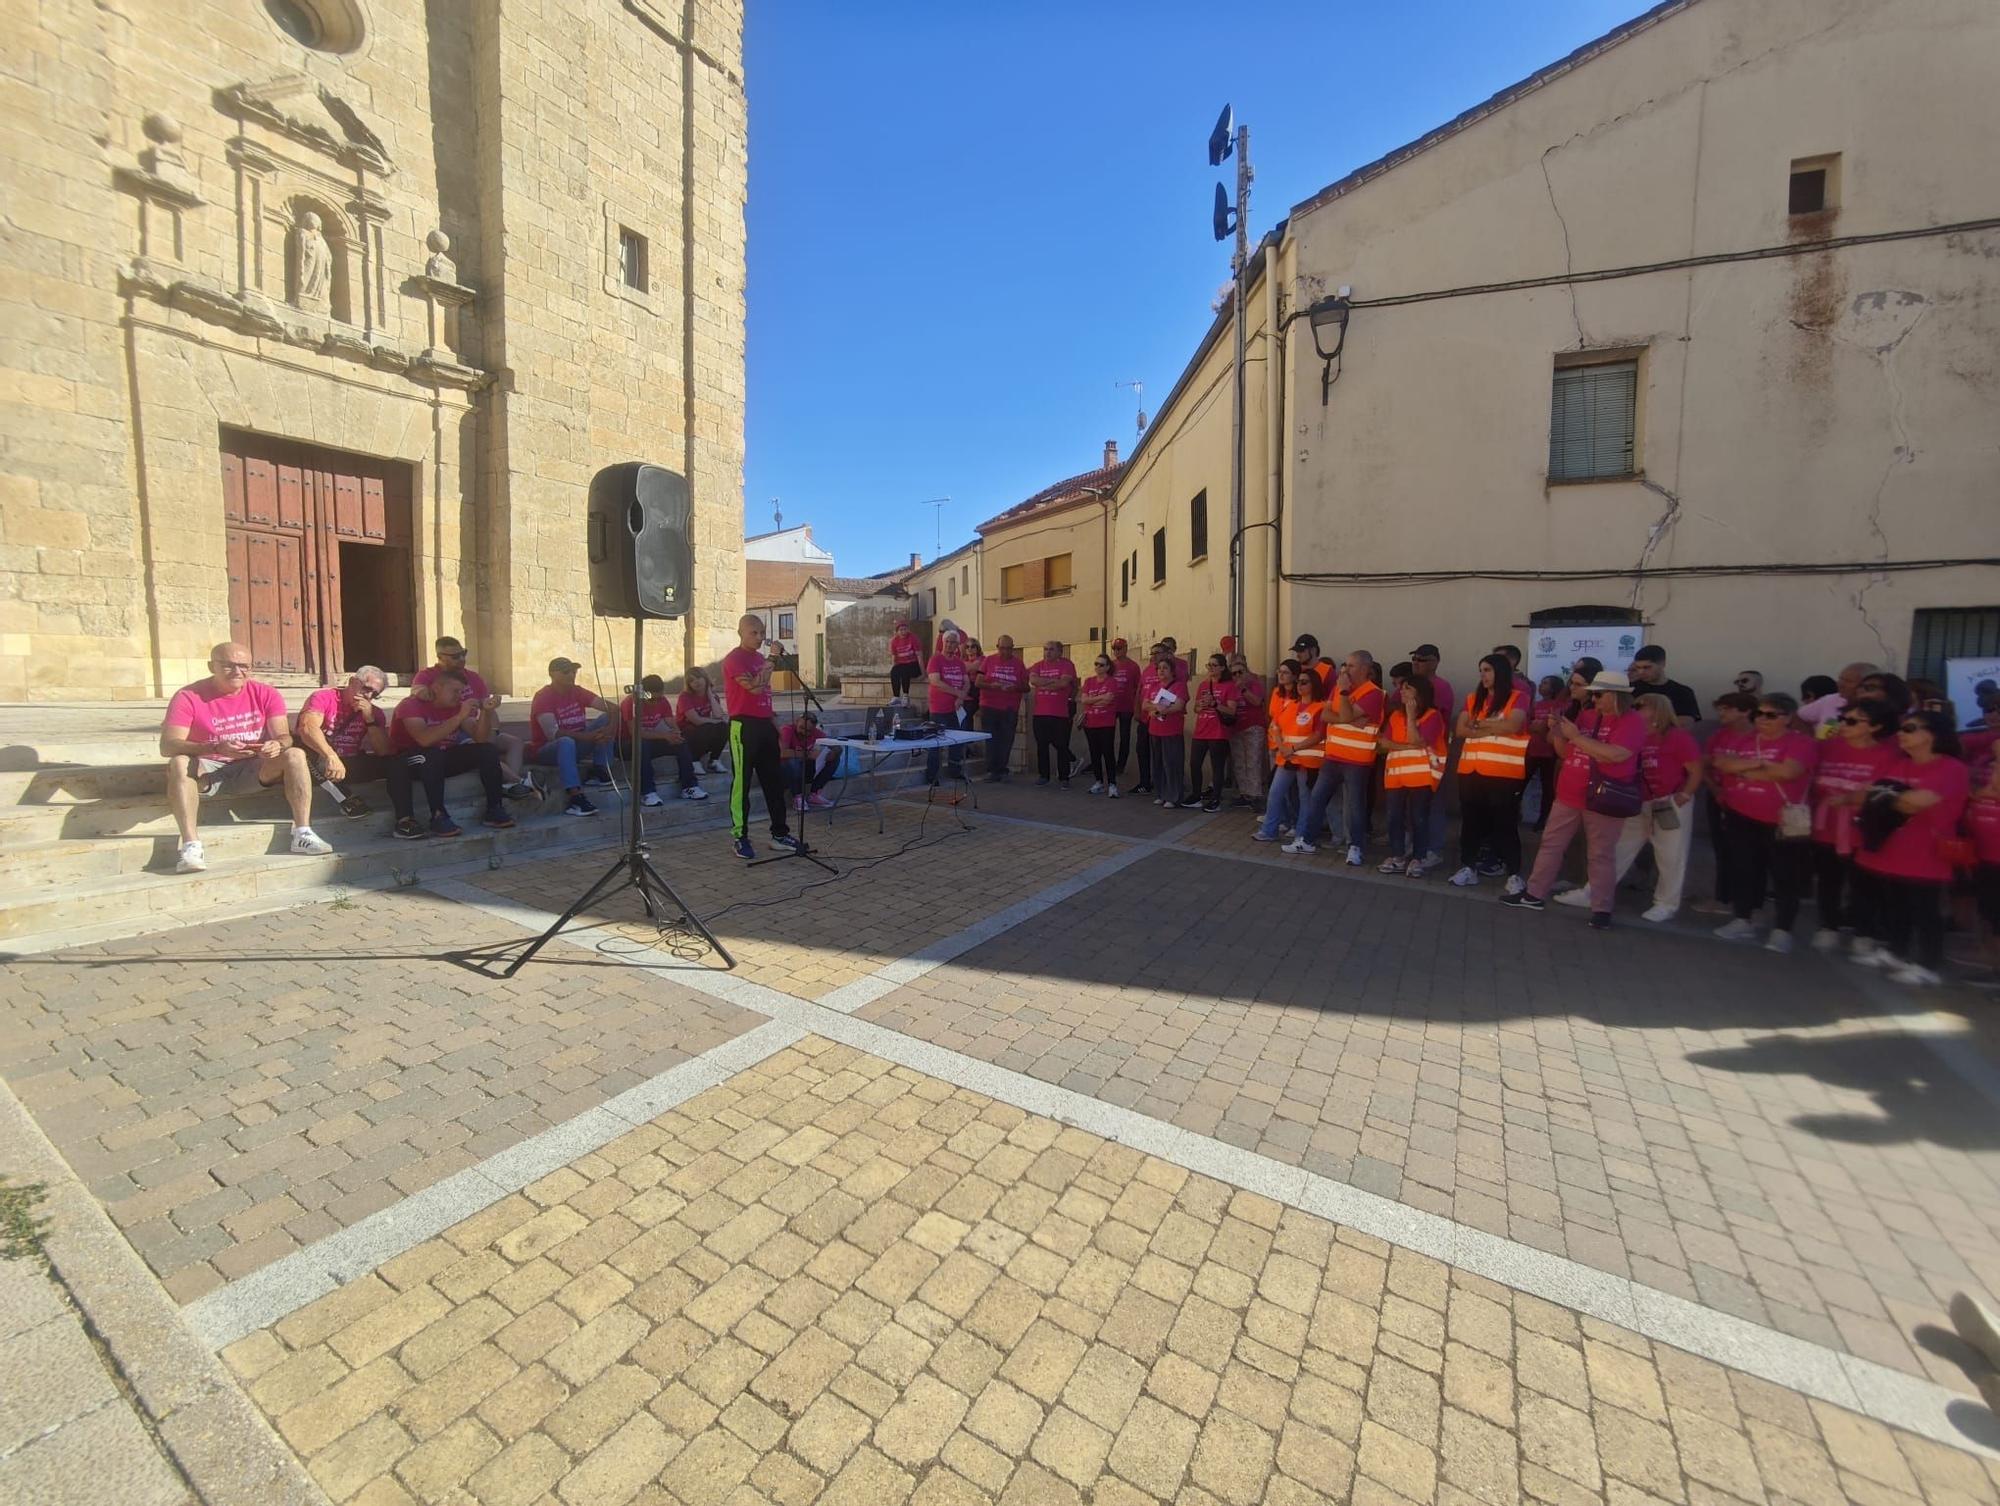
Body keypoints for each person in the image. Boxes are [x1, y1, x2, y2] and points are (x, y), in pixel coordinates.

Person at [160, 642, 331, 873]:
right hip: (208, 767)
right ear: (212, 666)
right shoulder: (188, 696)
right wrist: (215, 746)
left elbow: (285, 736)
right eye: (228, 665)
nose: (238, 672)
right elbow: (168, 745)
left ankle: (302, 833)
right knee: (178, 762)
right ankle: (191, 845)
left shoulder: (266, 693)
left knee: (295, 754)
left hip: (253, 765)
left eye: (244, 666)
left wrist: (276, 744)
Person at [1503, 669, 1649, 929]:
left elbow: (1615, 755)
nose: (1595, 700)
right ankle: (1533, 894)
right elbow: (1565, 752)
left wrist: (1576, 736)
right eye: (1593, 694)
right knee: (1551, 844)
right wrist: (1558, 732)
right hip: (1569, 793)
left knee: (1600, 854)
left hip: (1604, 796)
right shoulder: (1588, 715)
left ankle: (1602, 908)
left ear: (1616, 696)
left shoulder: (1632, 721)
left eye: (1600, 694)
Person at [1554, 692, 1702, 921]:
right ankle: (1592, 892)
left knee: (1670, 855)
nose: (1635, 708)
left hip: (1668, 803)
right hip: (1633, 802)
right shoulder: (1631, 732)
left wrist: (1683, 796)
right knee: (1617, 850)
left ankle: (1666, 904)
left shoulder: (1678, 737)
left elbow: (1695, 770)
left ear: (1658, 710)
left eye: (1642, 706)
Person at [1855, 709, 1969, 986]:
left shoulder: (1952, 768)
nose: (1901, 735)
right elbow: (1865, 795)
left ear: (1932, 734)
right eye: (1902, 728)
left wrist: (1884, 795)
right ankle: (1896, 951)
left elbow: (1917, 801)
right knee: (1895, 904)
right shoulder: (1897, 764)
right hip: (1891, 847)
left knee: (1925, 910)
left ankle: (1928, 964)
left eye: (1910, 729)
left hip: (1926, 850)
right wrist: (1889, 796)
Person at [1710, 692, 1818, 952]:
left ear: (1788, 718)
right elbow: (1722, 763)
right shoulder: (1747, 739)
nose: (1763, 719)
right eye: (1760, 713)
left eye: (1771, 715)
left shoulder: (1801, 743)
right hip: (1741, 814)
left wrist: (1746, 768)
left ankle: (1783, 929)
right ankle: (1743, 918)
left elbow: (1789, 771)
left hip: (1784, 820)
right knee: (1744, 869)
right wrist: (1762, 765)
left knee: (1785, 875)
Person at [1807, 697, 1897, 955]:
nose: (1844, 724)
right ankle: (1828, 926)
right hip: (1826, 826)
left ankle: (1864, 931)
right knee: (1828, 879)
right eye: (1843, 718)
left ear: (1876, 726)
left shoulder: (1887, 755)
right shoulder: (1826, 747)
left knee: (1865, 884)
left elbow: (1883, 792)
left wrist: (1850, 797)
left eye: (1853, 721)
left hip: (1863, 829)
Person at [389, 667, 514, 838]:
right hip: (407, 760)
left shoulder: (456, 708)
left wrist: (486, 712)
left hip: (439, 758)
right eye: (455, 691)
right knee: (432, 754)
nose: (459, 696)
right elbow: (424, 740)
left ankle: (495, 809)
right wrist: (459, 717)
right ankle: (438, 816)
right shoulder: (410, 705)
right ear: (437, 688)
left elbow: (481, 739)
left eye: (462, 692)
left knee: (487, 751)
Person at [413, 636, 535, 799]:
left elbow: (487, 707)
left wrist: (494, 729)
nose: (462, 659)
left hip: (474, 724)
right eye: (455, 656)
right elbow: (418, 691)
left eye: (464, 653)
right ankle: (518, 782)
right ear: (440, 657)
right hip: (452, 728)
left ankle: (509, 784)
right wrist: (427, 693)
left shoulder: (473, 677)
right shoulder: (428, 675)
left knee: (515, 742)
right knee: (482, 750)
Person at [722, 614, 803, 859]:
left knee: (774, 782)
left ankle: (779, 834)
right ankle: (740, 836)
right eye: (753, 633)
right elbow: (755, 688)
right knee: (742, 784)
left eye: (761, 633)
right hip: (743, 726)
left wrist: (775, 726)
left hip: (764, 725)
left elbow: (765, 697)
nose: (759, 637)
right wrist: (771, 661)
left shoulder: (759, 659)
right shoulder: (734, 659)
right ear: (741, 633)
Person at [1292, 649, 1382, 861]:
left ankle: (1356, 847)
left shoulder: (1373, 693)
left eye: (1351, 666)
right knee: (1317, 798)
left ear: (1364, 669)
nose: (1346, 669)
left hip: (1357, 760)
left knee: (1355, 806)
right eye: (1346, 664)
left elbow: (1341, 714)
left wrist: (1342, 697)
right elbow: (1325, 714)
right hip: (1333, 756)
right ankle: (1307, 841)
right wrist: (1349, 717)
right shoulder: (1339, 687)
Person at [1449, 654, 1530, 890]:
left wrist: (1480, 724)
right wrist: (1493, 727)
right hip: (1471, 771)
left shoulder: (1518, 698)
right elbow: (1461, 729)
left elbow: (1513, 725)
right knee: (1471, 823)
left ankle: (1514, 873)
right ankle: (1468, 867)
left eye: (1487, 670)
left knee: (1504, 824)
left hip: (1503, 772)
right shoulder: (1473, 698)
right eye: (1481, 670)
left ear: (1501, 672)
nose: (1483, 675)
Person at [295, 667, 394, 819]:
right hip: (319, 757)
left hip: (349, 761)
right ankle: (346, 799)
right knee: (305, 756)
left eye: (375, 694)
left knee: (396, 763)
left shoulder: (375, 713)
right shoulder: (324, 697)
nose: (368, 695)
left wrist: (369, 719)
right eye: (366, 688)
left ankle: (404, 817)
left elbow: (384, 751)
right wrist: (331, 755)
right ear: (352, 682)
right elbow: (307, 728)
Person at [527, 658, 616, 816]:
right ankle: (575, 797)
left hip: (578, 744)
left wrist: (609, 729)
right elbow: (553, 733)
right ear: (553, 674)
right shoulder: (543, 696)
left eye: (574, 671)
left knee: (605, 720)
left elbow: (613, 708)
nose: (572, 675)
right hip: (548, 750)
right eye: (566, 672)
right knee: (565, 741)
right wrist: (587, 736)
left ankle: (600, 770)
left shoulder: (578, 691)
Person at [1699, 691, 1759, 914]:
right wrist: (1715, 789)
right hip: (1719, 798)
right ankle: (1723, 898)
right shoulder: (1719, 735)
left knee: (1747, 854)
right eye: (1720, 709)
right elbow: (1704, 764)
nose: (1721, 713)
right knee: (1722, 850)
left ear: (1746, 711)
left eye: (1727, 709)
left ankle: (1749, 904)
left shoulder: (1757, 738)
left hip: (1749, 802)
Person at [1379, 676, 1445, 876]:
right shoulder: (1394, 716)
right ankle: (1398, 856)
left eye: (1407, 688)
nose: (1402, 691)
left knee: (1419, 818)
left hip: (1421, 776)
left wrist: (1410, 715)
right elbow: (1383, 742)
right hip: (1396, 776)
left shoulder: (1432, 715)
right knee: (1393, 818)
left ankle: (1418, 858)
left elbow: (1418, 740)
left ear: (1420, 693)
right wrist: (1405, 745)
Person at [1255, 661, 1323, 843]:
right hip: (1286, 758)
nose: (1300, 685)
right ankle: (1269, 830)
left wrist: (1292, 748)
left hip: (1307, 761)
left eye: (1304, 682)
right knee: (1275, 792)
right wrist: (1282, 746)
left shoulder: (1320, 707)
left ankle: (1302, 835)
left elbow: (1318, 735)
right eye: (1299, 682)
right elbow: (1275, 726)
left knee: (1304, 798)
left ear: (1314, 685)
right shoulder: (1291, 705)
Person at [620, 674, 705, 806]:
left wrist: (676, 734)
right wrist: (664, 735)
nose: (656, 702)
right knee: (642, 744)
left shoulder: (662, 700)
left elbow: (670, 722)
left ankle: (689, 786)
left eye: (659, 698)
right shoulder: (630, 703)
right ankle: (647, 792)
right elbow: (635, 733)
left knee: (681, 743)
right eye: (652, 699)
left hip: (651, 740)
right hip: (626, 745)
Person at [1140, 643, 1188, 808]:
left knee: (1172, 764)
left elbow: (1179, 705)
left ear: (1172, 671)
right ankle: (1160, 793)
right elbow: (1145, 705)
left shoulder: (1179, 686)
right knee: (1158, 763)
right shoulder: (1153, 686)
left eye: (1165, 668)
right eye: (1159, 668)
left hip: (1171, 731)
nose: (1161, 671)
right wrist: (1157, 708)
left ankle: (1173, 796)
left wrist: (1163, 710)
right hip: (1155, 730)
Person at [1189, 653, 1239, 812]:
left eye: (1214, 665)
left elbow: (1231, 711)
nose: (1210, 668)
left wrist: (1215, 704)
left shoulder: (1229, 686)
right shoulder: (1203, 685)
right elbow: (1195, 708)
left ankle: (1216, 799)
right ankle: (1196, 795)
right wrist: (1201, 706)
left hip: (1218, 732)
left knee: (1217, 767)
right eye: (1208, 665)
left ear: (1222, 668)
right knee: (1194, 763)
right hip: (1201, 730)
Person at [924, 627, 972, 786]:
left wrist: (961, 696)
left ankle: (955, 771)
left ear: (958, 645)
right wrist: (958, 694)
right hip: (939, 708)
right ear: (943, 643)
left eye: (954, 643)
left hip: (956, 709)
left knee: (957, 742)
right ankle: (932, 775)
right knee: (936, 743)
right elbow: (935, 681)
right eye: (948, 642)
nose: (950, 645)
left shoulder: (959, 663)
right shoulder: (935, 660)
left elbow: (966, 682)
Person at [975, 635, 1027, 781]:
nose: (1005, 651)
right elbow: (978, 682)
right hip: (989, 705)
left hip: (1010, 707)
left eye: (1009, 648)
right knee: (991, 739)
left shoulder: (1018, 663)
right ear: (997, 647)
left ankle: (1002, 769)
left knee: (1006, 739)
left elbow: (1026, 687)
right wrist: (991, 686)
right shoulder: (988, 660)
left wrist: (1015, 687)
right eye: (1002, 648)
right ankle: (992, 770)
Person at [1029, 639, 1078, 787]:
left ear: (1059, 651)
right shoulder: (1038, 665)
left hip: (1060, 713)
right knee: (1042, 745)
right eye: (1045, 649)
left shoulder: (1067, 664)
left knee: (1062, 745)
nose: (1047, 652)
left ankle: (1064, 778)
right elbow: (1033, 681)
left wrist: (1043, 682)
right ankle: (1044, 775)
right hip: (1040, 713)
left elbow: (1063, 683)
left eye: (1051, 649)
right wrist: (1052, 682)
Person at [1524, 675, 1565, 831]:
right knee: (1520, 784)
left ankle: (1543, 820)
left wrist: (1540, 729)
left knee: (1548, 789)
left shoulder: (1559, 705)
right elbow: (1528, 725)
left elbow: (1549, 729)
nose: (1541, 685)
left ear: (1555, 687)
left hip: (1550, 753)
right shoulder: (1536, 704)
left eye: (1545, 683)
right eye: (1541, 682)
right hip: (1533, 751)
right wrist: (1538, 728)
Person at [1227, 652, 1267, 808]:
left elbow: (1257, 702)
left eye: (1240, 672)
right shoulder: (1230, 686)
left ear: (1246, 670)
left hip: (1253, 726)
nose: (1237, 675)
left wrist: (1243, 689)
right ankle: (1244, 793)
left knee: (1253, 761)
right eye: (1233, 673)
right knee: (1239, 762)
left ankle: (1256, 794)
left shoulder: (1254, 682)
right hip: (1236, 727)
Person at [1079, 655, 1121, 797]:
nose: (1098, 667)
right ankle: (1098, 782)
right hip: (1091, 723)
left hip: (1106, 723)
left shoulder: (1112, 682)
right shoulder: (1089, 681)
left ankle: (1112, 784)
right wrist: (1097, 700)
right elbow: (1084, 699)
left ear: (1108, 667)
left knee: (1108, 753)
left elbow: (1108, 699)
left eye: (1101, 665)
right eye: (1096, 664)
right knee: (1094, 754)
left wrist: (1092, 701)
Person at [1627, 645, 1700, 725]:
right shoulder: (1629, 690)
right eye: (1638, 668)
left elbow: (1686, 723)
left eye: (1646, 667)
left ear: (1662, 664)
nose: (1641, 672)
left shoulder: (1683, 692)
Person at [780, 710, 837, 810]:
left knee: (834, 759)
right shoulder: (787, 729)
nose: (804, 732)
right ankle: (797, 797)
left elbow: (836, 746)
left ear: (814, 728)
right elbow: (782, 753)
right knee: (794, 762)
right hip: (785, 771)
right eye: (801, 728)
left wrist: (831, 755)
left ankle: (814, 794)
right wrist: (807, 755)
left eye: (808, 731)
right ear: (796, 722)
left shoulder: (816, 733)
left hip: (804, 770)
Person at [1107, 638, 1144, 788]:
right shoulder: (1110, 665)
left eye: (1119, 648)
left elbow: (1138, 688)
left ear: (1126, 648)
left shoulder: (1133, 666)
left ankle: (1120, 765)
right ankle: (1109, 763)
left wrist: (1137, 708)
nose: (1116, 651)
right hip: (1111, 706)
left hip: (1126, 707)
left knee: (1124, 737)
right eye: (1114, 648)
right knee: (1107, 735)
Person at [676, 667, 729, 772]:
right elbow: (696, 720)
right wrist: (716, 721)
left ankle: (714, 760)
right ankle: (694, 760)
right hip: (686, 732)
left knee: (723, 727)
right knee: (707, 727)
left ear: (705, 678)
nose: (696, 682)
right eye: (691, 680)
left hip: (703, 730)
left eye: (698, 678)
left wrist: (710, 694)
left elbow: (718, 715)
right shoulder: (684, 697)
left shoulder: (713, 696)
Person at [1800, 661, 1876, 734]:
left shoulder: (1879, 709)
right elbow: (1798, 716)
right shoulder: (1830, 700)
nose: (1840, 685)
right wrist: (1810, 740)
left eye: (1848, 681)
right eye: (1840, 679)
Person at [888, 619, 923, 701]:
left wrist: (923, 673)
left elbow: (919, 655)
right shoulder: (894, 641)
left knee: (905, 670)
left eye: (905, 629)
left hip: (913, 664)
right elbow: (894, 657)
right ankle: (896, 696)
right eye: (901, 630)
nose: (903, 632)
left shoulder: (913, 638)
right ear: (897, 631)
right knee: (894, 671)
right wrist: (894, 668)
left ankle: (905, 695)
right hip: (901, 664)